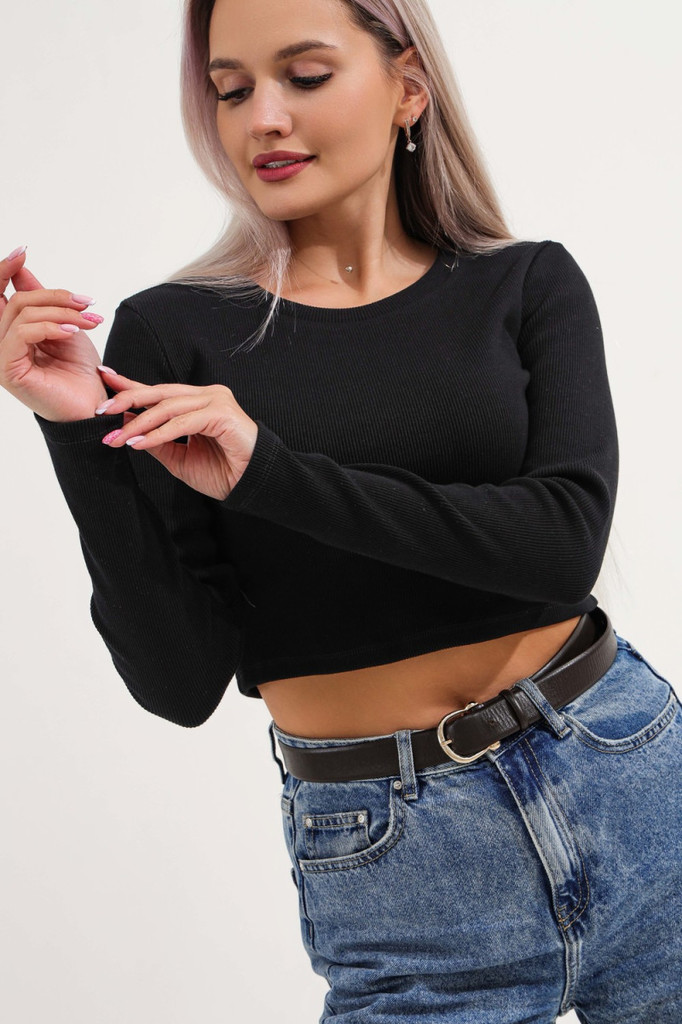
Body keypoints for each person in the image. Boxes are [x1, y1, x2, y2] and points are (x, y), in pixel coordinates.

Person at [1, 0, 680, 1020]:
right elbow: (179, 682)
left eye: (306, 77)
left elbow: (558, 548)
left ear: (408, 87)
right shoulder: (174, 336)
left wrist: (267, 471)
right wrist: (75, 431)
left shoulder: (527, 284)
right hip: (398, 859)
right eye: (231, 90)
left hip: (629, 776)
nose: (263, 118)